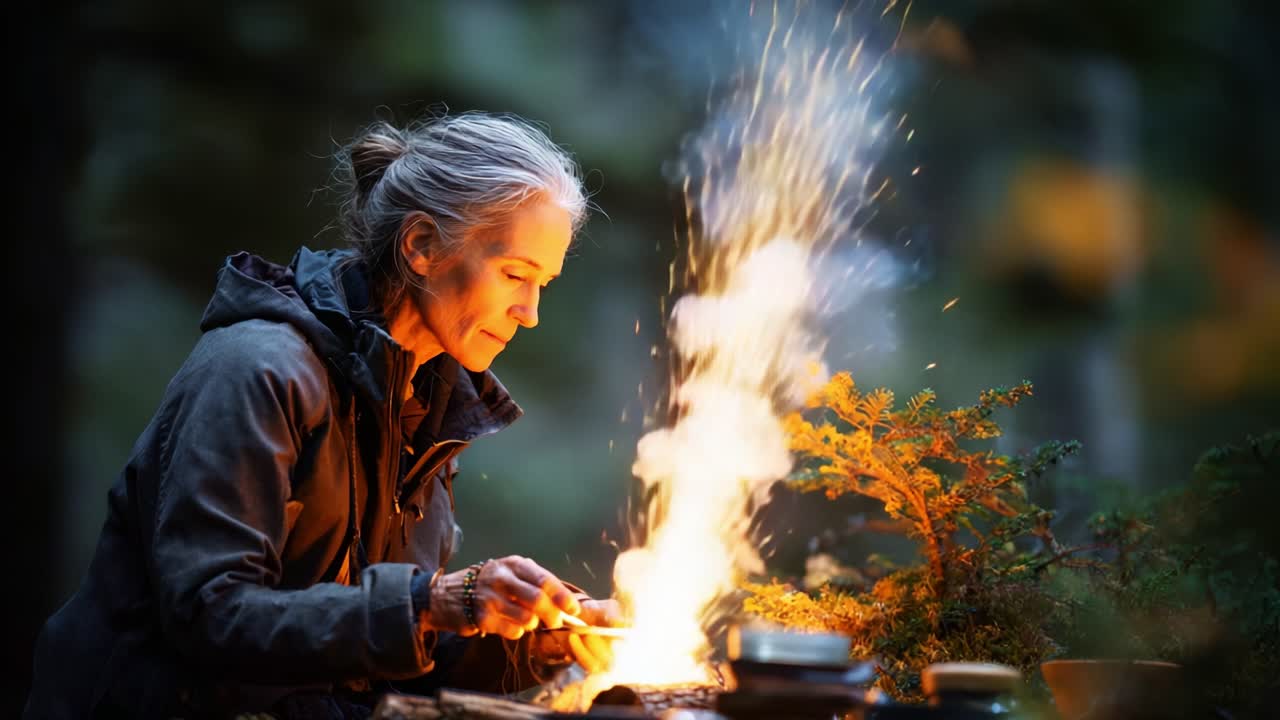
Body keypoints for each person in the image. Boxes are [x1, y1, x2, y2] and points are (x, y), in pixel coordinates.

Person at [26, 111, 619, 719]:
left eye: (544, 282)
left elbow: (364, 647)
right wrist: (434, 601)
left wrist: (527, 641)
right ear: (421, 246)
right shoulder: (258, 370)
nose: (530, 312)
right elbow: (210, 615)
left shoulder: (422, 406)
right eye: (515, 274)